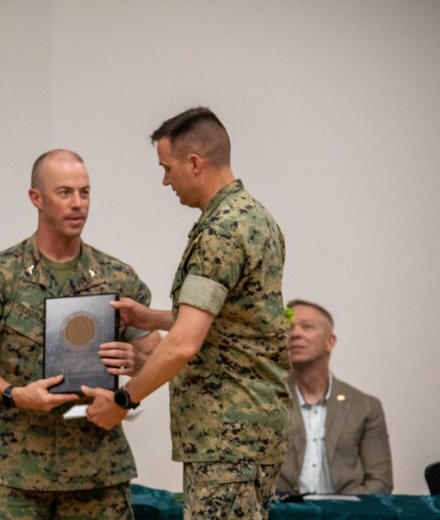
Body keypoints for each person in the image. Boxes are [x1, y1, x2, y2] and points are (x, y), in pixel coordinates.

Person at [83, 107, 291, 519]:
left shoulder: (221, 233)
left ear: (195, 163)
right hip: (250, 434)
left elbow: (182, 345)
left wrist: (123, 400)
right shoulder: (255, 219)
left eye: (167, 168)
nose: (165, 180)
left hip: (227, 442)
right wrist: (153, 318)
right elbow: (232, 319)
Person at [0, 149, 160, 519]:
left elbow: (156, 355)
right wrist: (15, 395)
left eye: (85, 192)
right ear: (36, 198)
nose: (78, 204)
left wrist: (135, 364)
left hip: (99, 472)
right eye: (65, 193)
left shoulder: (118, 277)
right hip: (15, 472)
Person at [276, 299, 393, 495]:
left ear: (330, 341)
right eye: (288, 328)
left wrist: (339, 510)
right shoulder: (268, 401)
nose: (295, 334)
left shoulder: (365, 407)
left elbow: (380, 482)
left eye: (307, 327)